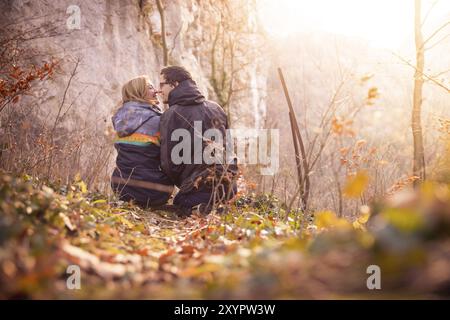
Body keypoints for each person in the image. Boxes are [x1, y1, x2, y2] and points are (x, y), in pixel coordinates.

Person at [158, 66, 238, 217]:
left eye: (162, 84)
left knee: (180, 205)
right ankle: (216, 206)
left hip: (197, 190)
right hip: (229, 187)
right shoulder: (216, 107)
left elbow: (168, 164)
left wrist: (185, 184)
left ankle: (202, 208)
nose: (159, 90)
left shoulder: (171, 114)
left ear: (174, 84)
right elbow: (229, 149)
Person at [111, 75, 174, 208]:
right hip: (153, 191)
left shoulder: (119, 118)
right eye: (150, 87)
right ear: (139, 92)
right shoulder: (157, 120)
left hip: (120, 188)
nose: (156, 90)